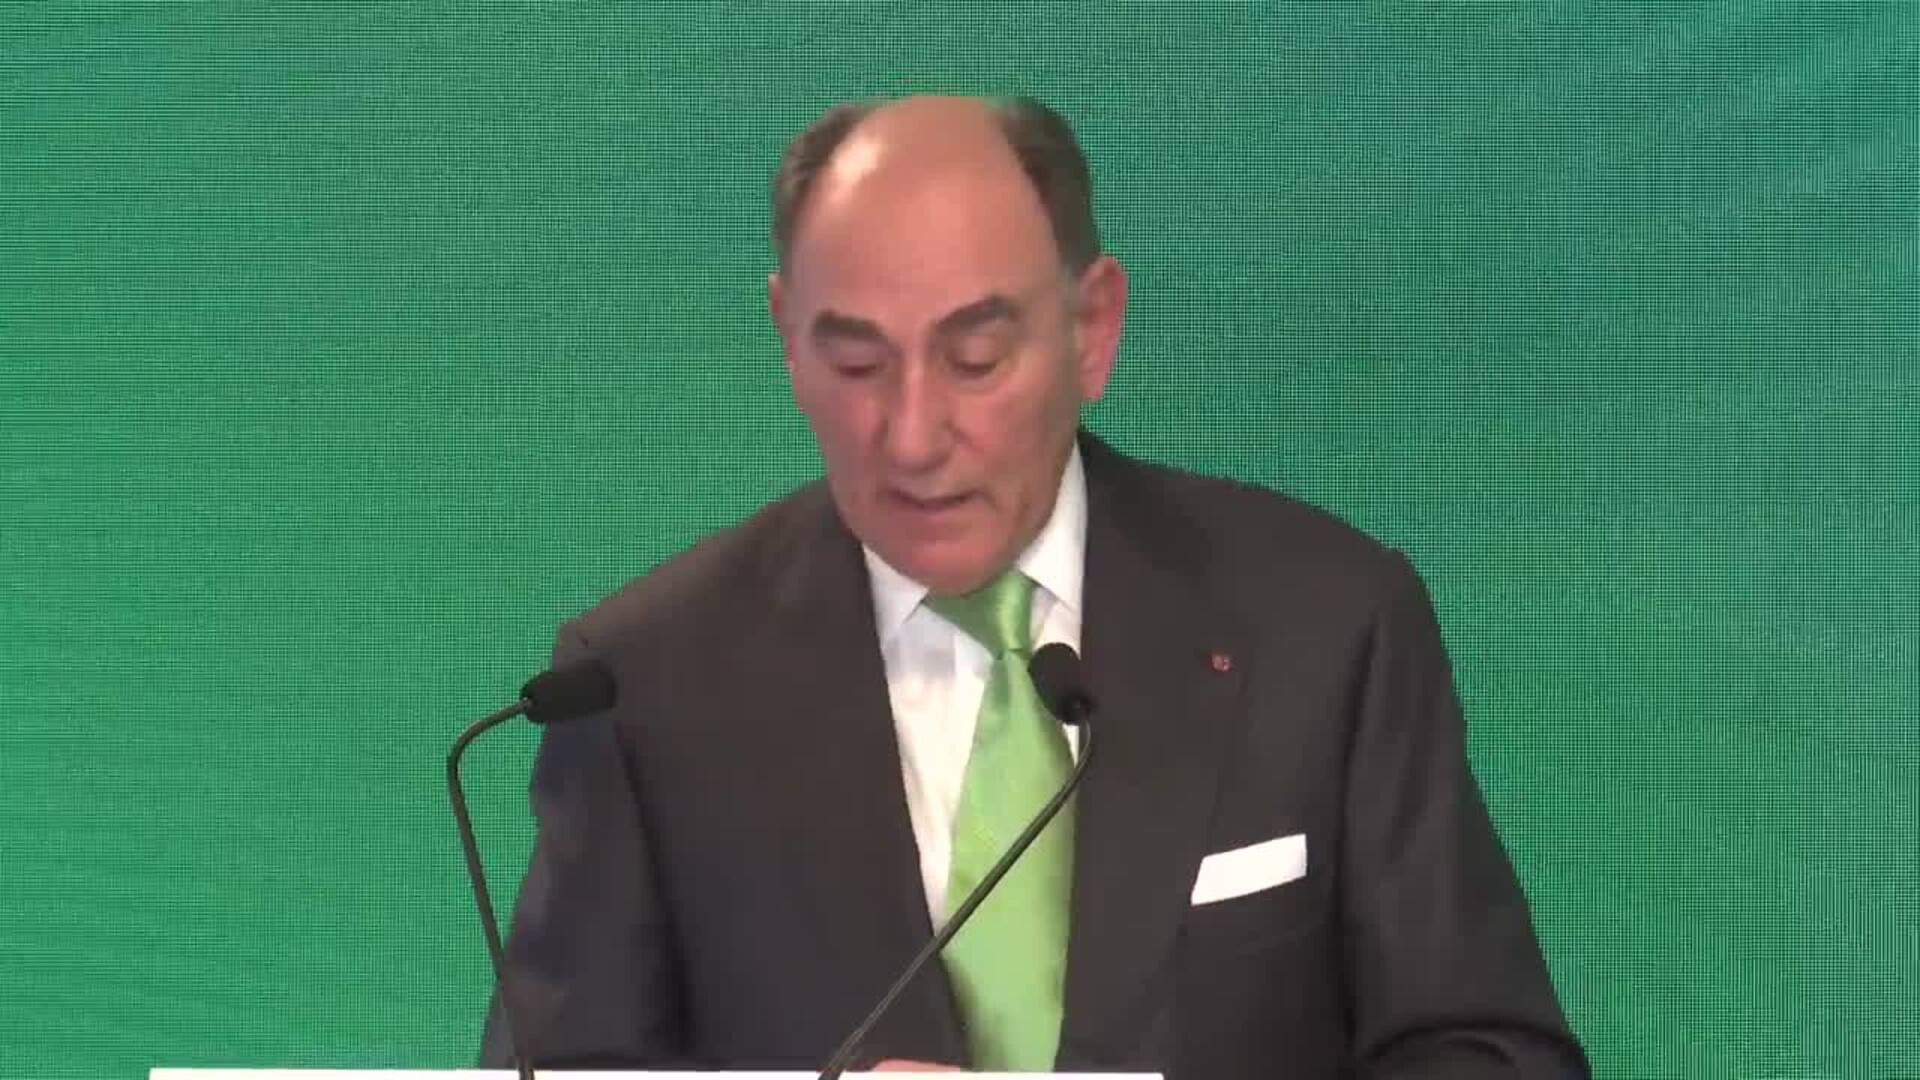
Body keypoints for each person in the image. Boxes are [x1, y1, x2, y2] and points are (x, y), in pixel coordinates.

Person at [480, 94, 1589, 1079]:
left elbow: (1490, 1055)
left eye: (974, 359)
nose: (913, 437)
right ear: (787, 341)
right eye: (857, 363)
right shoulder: (646, 686)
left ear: (1091, 329)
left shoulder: (1327, 625)